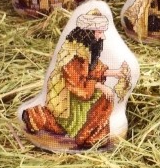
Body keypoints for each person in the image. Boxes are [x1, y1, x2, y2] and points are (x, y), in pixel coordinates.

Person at [21, 9, 126, 148]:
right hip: (68, 96)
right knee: (104, 98)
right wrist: (99, 86)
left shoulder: (85, 50)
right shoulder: (72, 55)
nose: (103, 37)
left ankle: (92, 136)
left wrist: (115, 73)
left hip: (80, 90)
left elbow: (92, 70)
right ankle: (87, 137)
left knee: (105, 98)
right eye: (100, 32)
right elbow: (77, 84)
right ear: (88, 33)